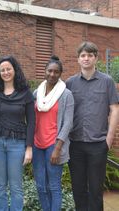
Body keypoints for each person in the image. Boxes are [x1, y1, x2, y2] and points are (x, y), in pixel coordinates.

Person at [66, 41, 119, 211]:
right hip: (75, 144)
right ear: (78, 59)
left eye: (90, 55)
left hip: (98, 144)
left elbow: (114, 109)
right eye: (83, 55)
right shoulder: (70, 83)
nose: (86, 58)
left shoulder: (107, 81)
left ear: (96, 58)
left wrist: (108, 140)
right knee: (78, 189)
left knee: (96, 190)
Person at [0, 55, 35, 211]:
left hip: (17, 144)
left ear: (15, 70)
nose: (6, 72)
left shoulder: (26, 93)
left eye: (8, 69)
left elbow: (31, 122)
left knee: (16, 186)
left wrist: (29, 148)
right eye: (2, 70)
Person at [32, 55, 74, 211]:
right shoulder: (37, 93)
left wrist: (58, 148)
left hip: (54, 145)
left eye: (56, 72)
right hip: (37, 145)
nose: (52, 74)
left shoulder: (66, 95)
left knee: (54, 186)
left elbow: (68, 123)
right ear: (45, 71)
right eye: (49, 71)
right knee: (41, 186)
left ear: (60, 73)